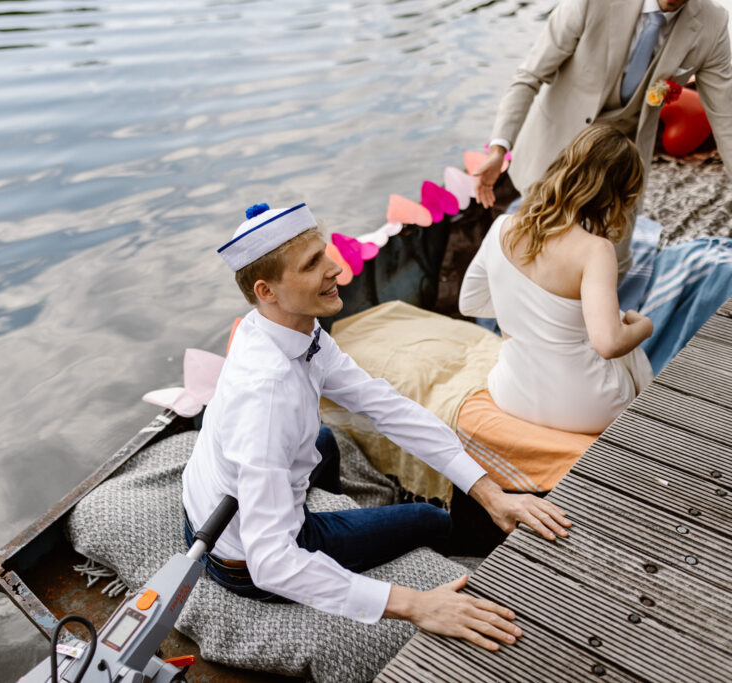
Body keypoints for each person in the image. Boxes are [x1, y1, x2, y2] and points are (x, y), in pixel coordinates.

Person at [182, 201, 571, 651]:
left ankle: (332, 509)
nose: (334, 268)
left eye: (325, 253)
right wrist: (416, 605)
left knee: (324, 442)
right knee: (427, 518)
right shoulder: (267, 397)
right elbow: (272, 563)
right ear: (267, 290)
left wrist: (490, 493)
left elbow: (386, 406)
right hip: (240, 560)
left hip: (209, 508)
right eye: (312, 265)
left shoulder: (286, 329)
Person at [473, 0, 732, 280]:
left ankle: (602, 316)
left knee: (614, 258)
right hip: (558, 145)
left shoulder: (713, 23)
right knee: (536, 250)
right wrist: (499, 149)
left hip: (625, 153)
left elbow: (725, 117)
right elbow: (529, 76)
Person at [459, 124, 655, 434]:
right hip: (589, 409)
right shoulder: (596, 251)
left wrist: (526, 315)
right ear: (615, 196)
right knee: (623, 334)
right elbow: (608, 343)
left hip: (511, 394)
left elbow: (469, 302)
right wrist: (644, 327)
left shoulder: (501, 227)